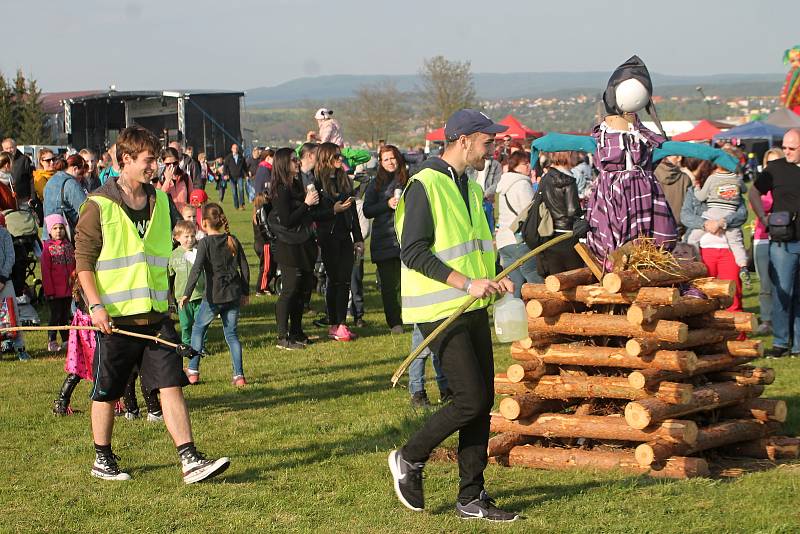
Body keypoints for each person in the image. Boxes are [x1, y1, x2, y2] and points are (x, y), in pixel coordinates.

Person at [74, 125, 229, 483]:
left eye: (156, 160)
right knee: (107, 390)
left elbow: (179, 236)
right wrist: (96, 308)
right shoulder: (98, 205)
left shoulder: (160, 201)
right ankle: (103, 458)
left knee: (170, 383)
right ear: (125, 159)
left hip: (155, 315)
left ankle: (190, 459)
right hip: (114, 318)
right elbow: (83, 263)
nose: (154, 167)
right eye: (148, 160)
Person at [389, 108, 518, 522]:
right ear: (464, 140)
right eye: (488, 141)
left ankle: (472, 497)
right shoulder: (424, 185)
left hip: (473, 304)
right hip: (442, 308)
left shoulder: (468, 185)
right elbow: (412, 251)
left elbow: (475, 245)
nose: (493, 148)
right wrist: (466, 282)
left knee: (482, 403)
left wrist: (495, 276)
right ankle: (409, 456)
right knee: (471, 398)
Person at [181, 203, 250, 386]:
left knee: (197, 329)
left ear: (203, 222)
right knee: (232, 335)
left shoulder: (204, 243)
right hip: (233, 295)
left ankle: (193, 371)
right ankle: (239, 376)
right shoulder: (232, 239)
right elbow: (245, 268)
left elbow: (196, 271)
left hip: (214, 297)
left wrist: (186, 294)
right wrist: (245, 292)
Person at [750, 128, 800, 358]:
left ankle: (798, 344)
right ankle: (781, 342)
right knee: (782, 293)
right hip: (783, 243)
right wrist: (763, 217)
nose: (787, 152)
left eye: (792, 149)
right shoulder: (776, 169)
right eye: (786, 147)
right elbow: (753, 192)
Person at [681, 157, 748, 312]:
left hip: (728, 249)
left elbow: (742, 213)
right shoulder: (694, 191)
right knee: (703, 294)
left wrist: (722, 222)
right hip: (702, 250)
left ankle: (737, 335)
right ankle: (709, 333)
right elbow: (685, 216)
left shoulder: (731, 188)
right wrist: (705, 224)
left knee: (732, 295)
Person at [313, 142, 364, 341]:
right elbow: (313, 214)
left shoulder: (343, 180)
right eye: (336, 157)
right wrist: (333, 210)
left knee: (345, 281)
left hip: (345, 236)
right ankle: (334, 323)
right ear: (326, 159)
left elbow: (351, 210)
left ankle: (341, 323)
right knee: (335, 281)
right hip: (328, 237)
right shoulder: (317, 182)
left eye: (340, 156)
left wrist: (358, 238)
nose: (340, 160)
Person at [271, 147, 318, 349]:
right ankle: (283, 336)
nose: (297, 162)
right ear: (283, 164)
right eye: (292, 160)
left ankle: (297, 331)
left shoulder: (297, 183)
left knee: (302, 290)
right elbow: (287, 220)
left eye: (296, 159)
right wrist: (306, 204)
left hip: (303, 243)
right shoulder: (280, 189)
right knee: (289, 290)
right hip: (289, 245)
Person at [363, 145, 407, 333]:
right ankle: (395, 322)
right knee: (389, 285)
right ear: (380, 162)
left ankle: (411, 317)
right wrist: (387, 204)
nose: (390, 162)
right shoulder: (375, 184)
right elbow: (367, 210)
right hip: (385, 239)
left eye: (393, 158)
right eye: (386, 159)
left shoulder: (409, 180)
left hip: (407, 238)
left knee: (407, 283)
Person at [496, 150, 542, 297]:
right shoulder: (521, 184)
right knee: (535, 281)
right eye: (524, 163)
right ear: (515, 165)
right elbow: (530, 212)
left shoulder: (503, 184)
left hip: (504, 241)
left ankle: (515, 316)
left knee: (515, 287)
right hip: (519, 239)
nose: (528, 166)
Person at [750, 148, 784, 335]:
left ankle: (783, 319)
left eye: (776, 162)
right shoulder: (760, 185)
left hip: (784, 238)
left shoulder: (787, 183)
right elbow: (755, 204)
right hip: (762, 237)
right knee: (765, 283)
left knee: (785, 283)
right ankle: (767, 319)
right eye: (769, 163)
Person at [535, 151, 584, 277]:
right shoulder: (568, 180)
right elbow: (572, 210)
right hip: (567, 235)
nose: (576, 157)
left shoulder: (545, 178)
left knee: (556, 280)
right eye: (574, 154)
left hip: (549, 233)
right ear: (567, 156)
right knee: (574, 279)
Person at [169, 220, 206, 384]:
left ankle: (200, 346)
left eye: (192, 236)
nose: (190, 239)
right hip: (181, 298)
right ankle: (186, 346)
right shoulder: (173, 255)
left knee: (199, 324)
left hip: (198, 295)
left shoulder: (198, 252)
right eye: (186, 237)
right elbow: (169, 276)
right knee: (185, 324)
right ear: (177, 238)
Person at [52, 275, 95, 415]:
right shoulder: (87, 281)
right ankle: (61, 403)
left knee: (78, 369)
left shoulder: (81, 280)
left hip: (84, 327)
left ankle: (61, 403)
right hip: (89, 329)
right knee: (103, 365)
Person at [41, 214, 75, 352]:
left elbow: (73, 266)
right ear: (49, 230)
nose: (58, 231)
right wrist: (49, 291)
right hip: (54, 292)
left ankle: (66, 340)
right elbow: (45, 272)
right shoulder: (47, 249)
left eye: (61, 227)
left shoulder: (68, 246)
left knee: (65, 316)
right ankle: (52, 340)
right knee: (55, 316)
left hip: (67, 290)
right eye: (55, 228)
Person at [0, 212, 31, 360]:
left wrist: (3, 278)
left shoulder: (4, 234)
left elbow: (10, 257)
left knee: (13, 315)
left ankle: (20, 348)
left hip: (5, 281)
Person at [43, 154, 88, 241]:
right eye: (81, 173)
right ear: (75, 169)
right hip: (64, 238)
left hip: (48, 236)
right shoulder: (71, 184)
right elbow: (86, 211)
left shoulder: (50, 181)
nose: (82, 177)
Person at [407, 324, 450, 409]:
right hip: (422, 315)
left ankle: (446, 390)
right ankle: (417, 394)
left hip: (436, 313)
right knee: (420, 352)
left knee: (439, 349)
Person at [654, 154, 693, 235]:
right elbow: (690, 206)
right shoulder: (685, 178)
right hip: (678, 225)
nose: (680, 158)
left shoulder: (651, 175)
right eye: (676, 155)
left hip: (656, 225)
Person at [466, 155, 502, 234]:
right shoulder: (472, 164)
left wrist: (485, 194)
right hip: (473, 196)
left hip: (487, 198)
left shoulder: (496, 165)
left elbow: (497, 182)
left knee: (488, 222)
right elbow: (468, 179)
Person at [253, 193, 277, 296]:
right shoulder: (261, 214)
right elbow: (265, 229)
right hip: (264, 245)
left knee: (270, 266)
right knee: (266, 267)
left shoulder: (256, 214)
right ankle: (260, 288)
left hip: (259, 244)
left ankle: (265, 286)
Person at [2, 138, 34, 206]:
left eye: (11, 147)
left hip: (24, 200)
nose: (9, 150)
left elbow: (32, 179)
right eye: (6, 148)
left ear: (16, 147)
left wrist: (32, 197)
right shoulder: (2, 162)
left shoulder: (24, 159)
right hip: (7, 200)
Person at [157, 147, 191, 211]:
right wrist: (167, 181)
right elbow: (159, 199)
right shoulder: (161, 179)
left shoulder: (185, 177)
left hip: (184, 216)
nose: (172, 166)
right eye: (168, 164)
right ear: (163, 162)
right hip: (169, 216)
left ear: (178, 161)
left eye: (174, 163)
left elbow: (191, 198)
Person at [223, 143, 248, 210]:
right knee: (234, 192)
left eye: (236, 148)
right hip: (232, 177)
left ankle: (242, 205)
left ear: (238, 149)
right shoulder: (228, 157)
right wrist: (225, 174)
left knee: (241, 190)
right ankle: (236, 206)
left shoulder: (241, 157)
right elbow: (225, 167)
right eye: (234, 148)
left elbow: (245, 167)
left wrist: (247, 174)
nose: (235, 149)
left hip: (240, 176)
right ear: (232, 149)